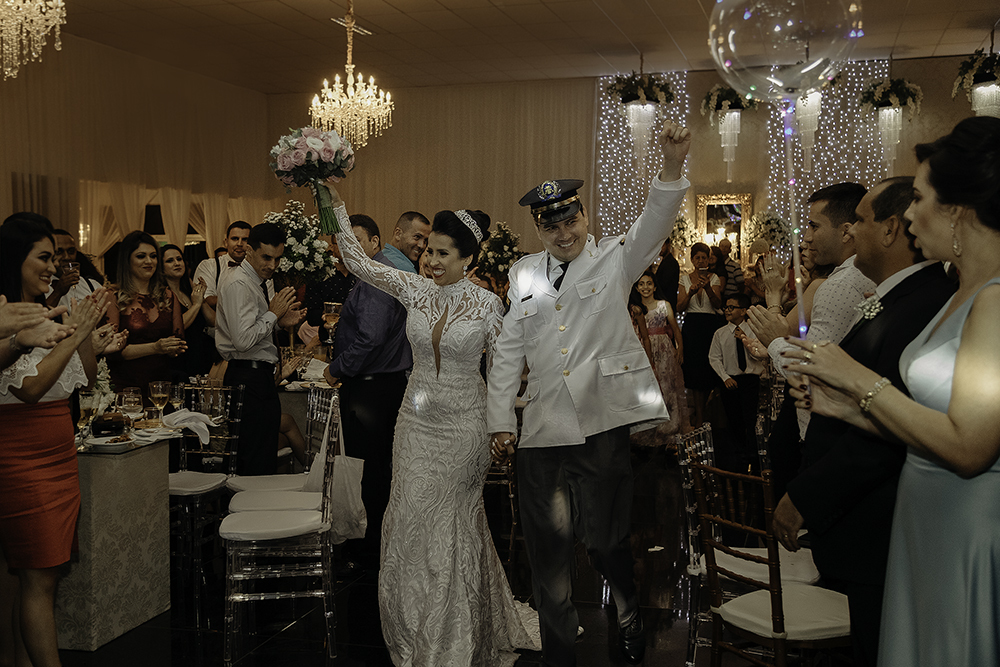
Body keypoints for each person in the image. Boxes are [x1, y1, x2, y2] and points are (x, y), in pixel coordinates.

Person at [783, 117, 1000, 667]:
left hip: (963, 520)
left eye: (920, 197)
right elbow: (927, 414)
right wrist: (848, 409)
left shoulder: (994, 301)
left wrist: (859, 382)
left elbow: (971, 446)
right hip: (922, 510)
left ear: (958, 211)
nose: (907, 213)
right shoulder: (960, 291)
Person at [488, 122, 692, 666]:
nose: (563, 232)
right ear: (539, 229)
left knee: (604, 542)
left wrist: (670, 168)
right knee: (547, 556)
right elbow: (509, 346)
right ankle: (560, 654)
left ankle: (626, 609)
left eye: (571, 219)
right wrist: (500, 419)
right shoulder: (524, 273)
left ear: (585, 217)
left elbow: (654, 223)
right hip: (541, 432)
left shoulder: (613, 259)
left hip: (600, 426)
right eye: (550, 225)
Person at [327, 187, 537, 666]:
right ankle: (414, 624)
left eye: (444, 253)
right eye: (428, 251)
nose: (431, 261)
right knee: (406, 518)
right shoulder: (412, 289)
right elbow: (360, 264)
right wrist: (334, 203)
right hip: (415, 424)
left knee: (450, 523)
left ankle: (454, 638)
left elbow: (508, 370)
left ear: (468, 258)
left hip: (466, 427)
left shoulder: (488, 306)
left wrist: (504, 426)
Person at [769, 177, 955, 666]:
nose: (851, 233)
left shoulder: (921, 304)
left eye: (862, 221)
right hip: (865, 525)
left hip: (880, 525)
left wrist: (805, 496)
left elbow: (891, 432)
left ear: (891, 229)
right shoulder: (892, 298)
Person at [0, 213, 108, 667]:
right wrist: (79, 331)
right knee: (39, 577)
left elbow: (79, 375)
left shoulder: (48, 307)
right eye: (44, 257)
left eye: (58, 257)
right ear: (15, 258)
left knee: (39, 577)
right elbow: (31, 388)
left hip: (59, 447)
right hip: (20, 450)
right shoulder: (5, 312)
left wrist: (80, 318)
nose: (53, 266)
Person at [322, 214, 412, 571]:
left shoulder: (376, 276)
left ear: (375, 242)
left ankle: (369, 552)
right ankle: (372, 548)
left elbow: (371, 338)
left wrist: (336, 368)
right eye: (343, 242)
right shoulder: (377, 271)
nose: (348, 249)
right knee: (374, 472)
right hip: (381, 386)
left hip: (372, 389)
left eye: (356, 241)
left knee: (368, 474)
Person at [215, 222, 305, 476]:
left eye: (277, 259)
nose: (272, 265)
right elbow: (243, 341)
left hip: (259, 377)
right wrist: (273, 314)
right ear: (249, 250)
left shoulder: (259, 282)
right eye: (266, 257)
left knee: (262, 455)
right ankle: (243, 511)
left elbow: (254, 329)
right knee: (252, 459)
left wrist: (278, 321)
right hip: (247, 376)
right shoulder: (238, 284)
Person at [104, 231, 186, 405]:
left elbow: (179, 342)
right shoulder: (114, 297)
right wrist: (156, 347)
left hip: (161, 389)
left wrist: (174, 347)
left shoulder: (169, 297)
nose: (149, 262)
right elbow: (113, 351)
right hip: (125, 389)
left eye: (153, 256)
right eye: (141, 256)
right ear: (127, 260)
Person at [708, 293, 764, 470]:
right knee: (734, 419)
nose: (727, 311)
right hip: (730, 380)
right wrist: (725, 377)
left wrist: (745, 340)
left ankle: (754, 455)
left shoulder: (754, 332)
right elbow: (714, 358)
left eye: (731, 307)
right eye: (726, 307)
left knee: (751, 418)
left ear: (743, 311)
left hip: (750, 379)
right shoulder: (720, 333)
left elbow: (759, 355)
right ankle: (739, 455)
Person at [631, 269, 688, 441]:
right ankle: (648, 430)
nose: (645, 287)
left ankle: (669, 429)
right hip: (642, 349)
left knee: (667, 387)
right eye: (641, 284)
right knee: (647, 389)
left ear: (655, 287)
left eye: (649, 283)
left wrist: (680, 349)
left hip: (663, 350)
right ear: (637, 287)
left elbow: (676, 329)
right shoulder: (634, 308)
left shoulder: (664, 305)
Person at [676, 242, 723, 427]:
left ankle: (702, 411)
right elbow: (680, 307)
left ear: (709, 259)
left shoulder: (715, 278)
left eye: (704, 257)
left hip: (709, 325)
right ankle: (700, 415)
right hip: (692, 326)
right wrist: (690, 293)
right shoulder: (684, 279)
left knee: (708, 367)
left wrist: (709, 288)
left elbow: (718, 305)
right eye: (698, 258)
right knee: (695, 370)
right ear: (692, 260)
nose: (701, 261)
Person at [161, 244, 211, 378]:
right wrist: (196, 305)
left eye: (179, 259)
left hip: (200, 359)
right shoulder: (161, 295)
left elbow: (213, 321)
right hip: (178, 362)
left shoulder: (188, 291)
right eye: (170, 261)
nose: (177, 263)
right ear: (161, 268)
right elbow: (176, 327)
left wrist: (202, 299)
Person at [653, 240, 680, 312]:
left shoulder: (670, 262)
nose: (660, 249)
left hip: (667, 303)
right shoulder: (666, 261)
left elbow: (663, 285)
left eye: (662, 246)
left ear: (668, 245)